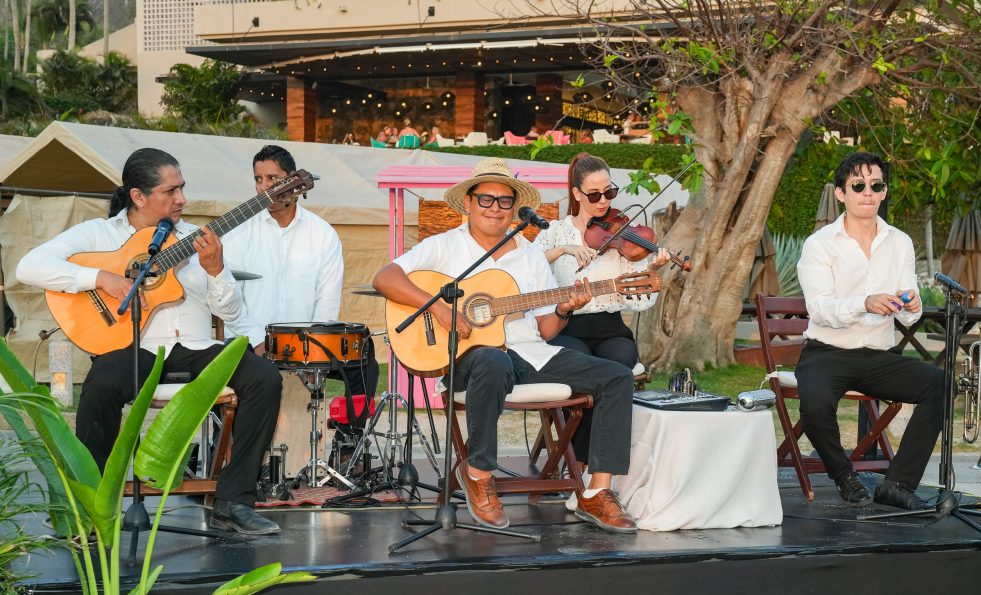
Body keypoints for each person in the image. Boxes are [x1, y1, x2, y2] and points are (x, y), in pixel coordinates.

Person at [16, 148, 282, 535]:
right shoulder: (100, 235)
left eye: (182, 188)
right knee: (101, 386)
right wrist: (101, 279)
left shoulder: (194, 238)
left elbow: (230, 311)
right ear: (138, 196)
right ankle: (92, 504)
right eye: (170, 190)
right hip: (132, 348)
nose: (182, 199)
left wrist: (216, 271)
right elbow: (28, 267)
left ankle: (234, 501)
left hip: (193, 346)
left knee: (264, 378)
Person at [371, 158, 637, 533]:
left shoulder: (528, 255)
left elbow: (546, 330)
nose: (496, 208)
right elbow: (385, 277)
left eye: (504, 201)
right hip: (468, 356)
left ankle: (596, 491)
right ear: (468, 202)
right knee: (492, 360)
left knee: (616, 376)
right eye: (486, 200)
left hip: (530, 352)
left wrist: (563, 307)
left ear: (515, 207)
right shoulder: (443, 246)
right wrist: (443, 310)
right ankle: (479, 476)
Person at [795, 151, 943, 510]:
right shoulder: (819, 244)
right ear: (841, 194)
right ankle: (843, 474)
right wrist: (864, 302)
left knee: (940, 383)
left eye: (876, 185)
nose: (868, 192)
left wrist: (911, 304)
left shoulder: (900, 242)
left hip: (878, 355)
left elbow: (909, 314)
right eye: (858, 185)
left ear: (884, 191)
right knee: (813, 403)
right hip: (827, 352)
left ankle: (897, 483)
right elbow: (818, 308)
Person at [533, 153, 669, 462]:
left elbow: (641, 300)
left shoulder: (622, 236)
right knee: (580, 373)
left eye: (610, 192)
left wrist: (653, 271)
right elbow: (524, 267)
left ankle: (590, 465)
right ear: (577, 193)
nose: (604, 201)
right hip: (566, 328)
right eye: (595, 194)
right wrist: (564, 249)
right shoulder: (554, 232)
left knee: (618, 367)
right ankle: (584, 462)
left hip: (610, 329)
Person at [221, 145, 344, 359]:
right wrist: (258, 341)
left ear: (292, 180)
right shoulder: (237, 232)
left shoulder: (323, 233)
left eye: (272, 178)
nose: (263, 187)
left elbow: (327, 301)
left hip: (305, 348)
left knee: (364, 365)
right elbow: (229, 299)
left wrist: (313, 346)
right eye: (258, 179)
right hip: (248, 347)